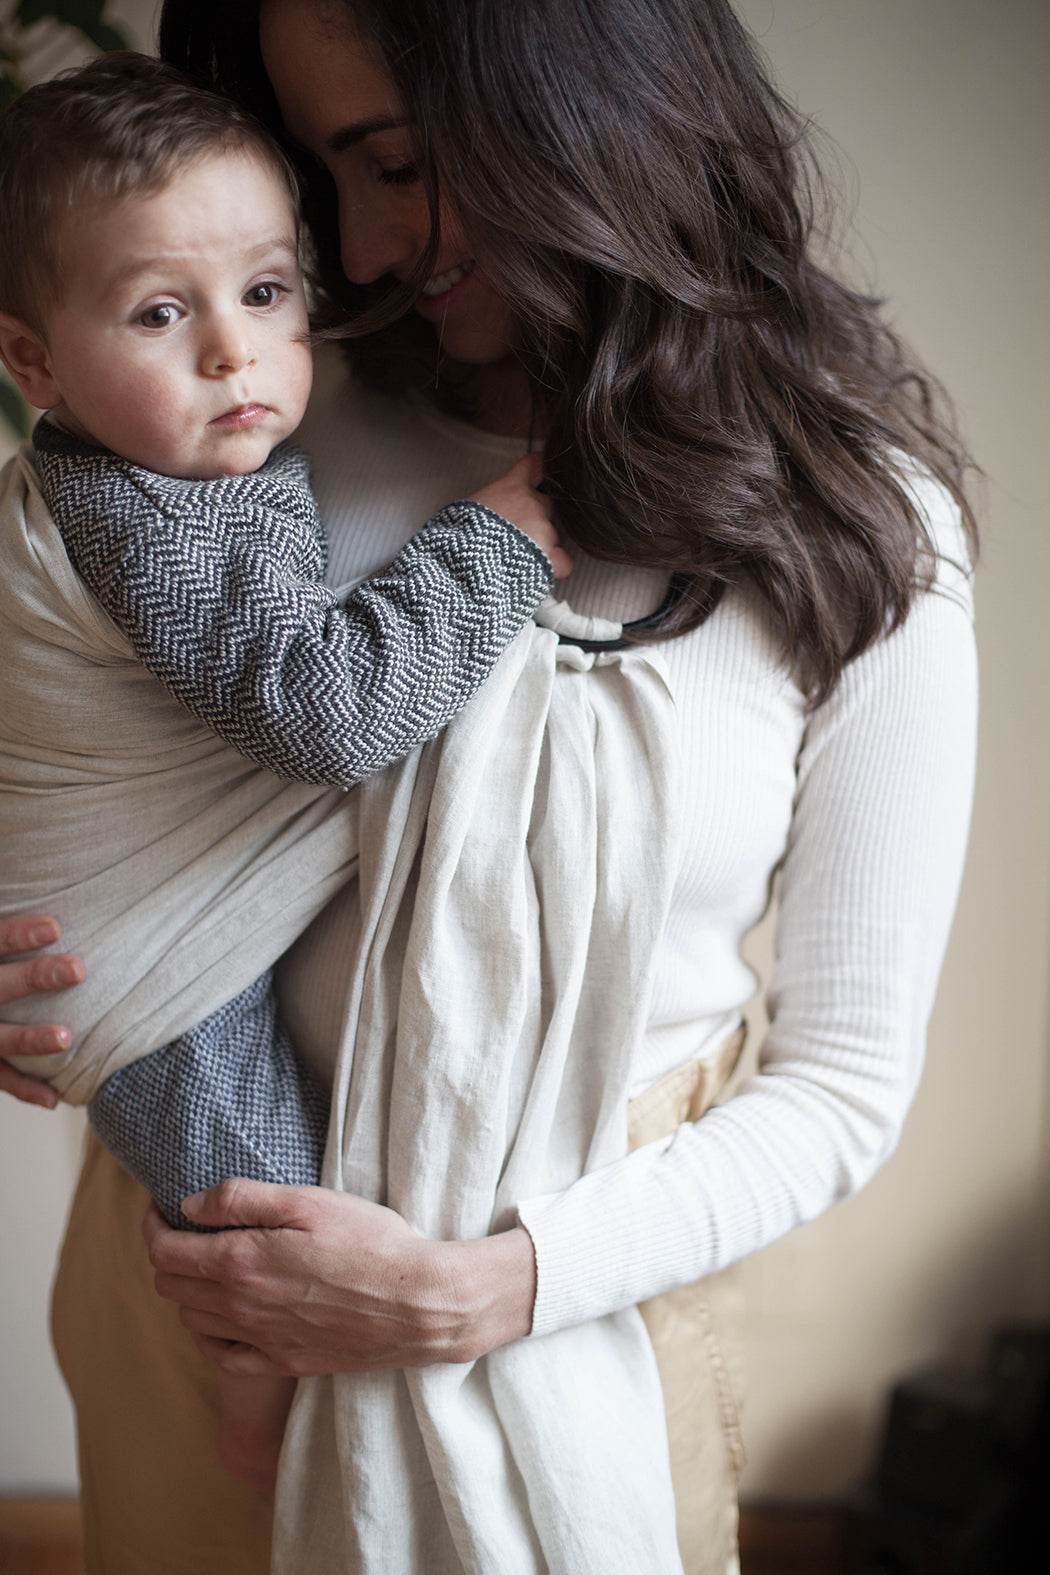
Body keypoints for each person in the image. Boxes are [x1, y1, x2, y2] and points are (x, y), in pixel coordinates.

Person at [0, 1, 979, 1571]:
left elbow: (842, 1085)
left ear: (588, 112)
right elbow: (58, 707)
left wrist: (481, 1290)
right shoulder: (232, 426)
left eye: (399, 163)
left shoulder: (857, 531)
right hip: (198, 1295)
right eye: (329, 178)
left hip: (571, 1333)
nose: (368, 248)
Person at [0, 51, 567, 1500]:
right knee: (263, 1222)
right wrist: (498, 540)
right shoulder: (155, 513)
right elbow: (324, 712)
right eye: (159, 313)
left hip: (136, 947)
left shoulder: (160, 462)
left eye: (265, 293)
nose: (233, 355)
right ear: (33, 362)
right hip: (140, 978)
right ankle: (254, 1410)